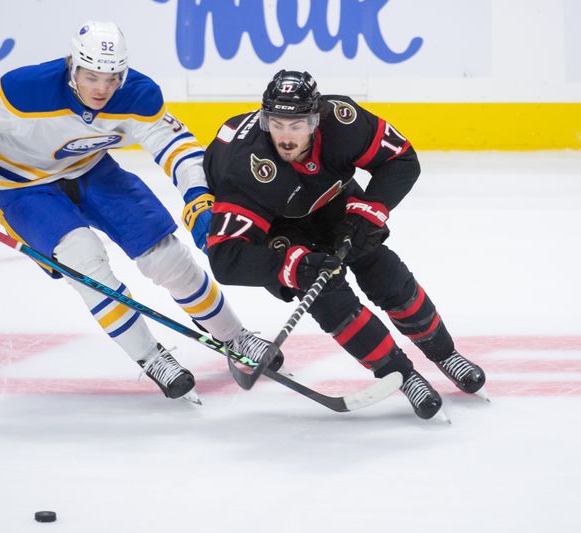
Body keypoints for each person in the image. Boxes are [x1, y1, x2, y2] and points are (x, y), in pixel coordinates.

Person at [0, 21, 283, 403]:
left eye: (112, 77)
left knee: (167, 257)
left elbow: (177, 145)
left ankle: (235, 337)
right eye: (91, 76)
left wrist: (199, 197)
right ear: (72, 66)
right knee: (84, 258)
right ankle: (152, 357)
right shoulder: (23, 89)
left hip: (92, 170)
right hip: (22, 187)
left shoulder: (137, 94)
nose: (102, 88)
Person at [202, 69, 487, 419]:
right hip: (275, 222)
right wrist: (291, 266)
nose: (286, 138)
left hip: (330, 199)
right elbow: (225, 258)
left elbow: (401, 159)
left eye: (297, 125)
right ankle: (401, 374)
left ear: (316, 119)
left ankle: (444, 353)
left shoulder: (342, 121)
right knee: (326, 294)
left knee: (379, 265)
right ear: (264, 121)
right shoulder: (243, 166)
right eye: (277, 124)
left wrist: (368, 212)